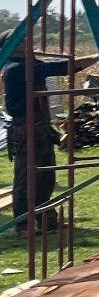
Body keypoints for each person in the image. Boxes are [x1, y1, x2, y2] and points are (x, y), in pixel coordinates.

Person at [5, 51, 70, 233]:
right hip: (26, 127)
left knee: (46, 177)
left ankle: (46, 221)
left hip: (40, 126)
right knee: (26, 180)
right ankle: (24, 225)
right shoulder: (17, 68)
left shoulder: (30, 64)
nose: (26, 40)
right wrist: (98, 57)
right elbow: (57, 67)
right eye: (21, 39)